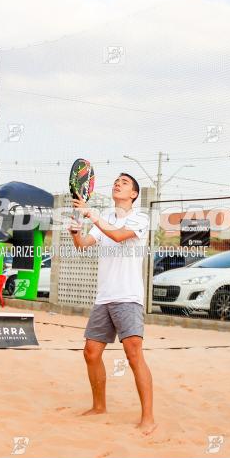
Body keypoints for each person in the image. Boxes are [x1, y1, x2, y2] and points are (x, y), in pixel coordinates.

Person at [70, 173, 155, 435]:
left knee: (133, 355)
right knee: (90, 353)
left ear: (134, 195)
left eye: (125, 183)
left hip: (128, 297)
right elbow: (83, 245)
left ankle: (148, 418)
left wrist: (92, 216)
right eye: (117, 181)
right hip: (104, 298)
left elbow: (118, 236)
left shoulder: (141, 218)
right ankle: (99, 407)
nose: (118, 184)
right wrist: (76, 232)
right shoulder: (105, 217)